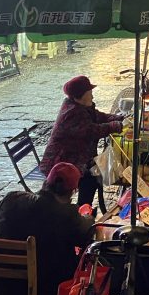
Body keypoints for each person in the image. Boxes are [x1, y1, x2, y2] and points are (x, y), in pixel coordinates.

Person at [0, 162, 93, 295]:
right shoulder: (68, 215)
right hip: (37, 290)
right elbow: (86, 235)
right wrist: (88, 218)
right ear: (72, 192)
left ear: (46, 182)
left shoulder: (12, 199)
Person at [40, 76, 124, 209]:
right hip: (61, 162)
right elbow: (92, 130)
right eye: (89, 93)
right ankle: (82, 211)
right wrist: (116, 125)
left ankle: (84, 209)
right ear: (79, 97)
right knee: (90, 179)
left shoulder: (82, 106)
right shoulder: (72, 113)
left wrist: (121, 118)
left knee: (92, 178)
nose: (92, 96)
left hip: (78, 157)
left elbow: (99, 116)